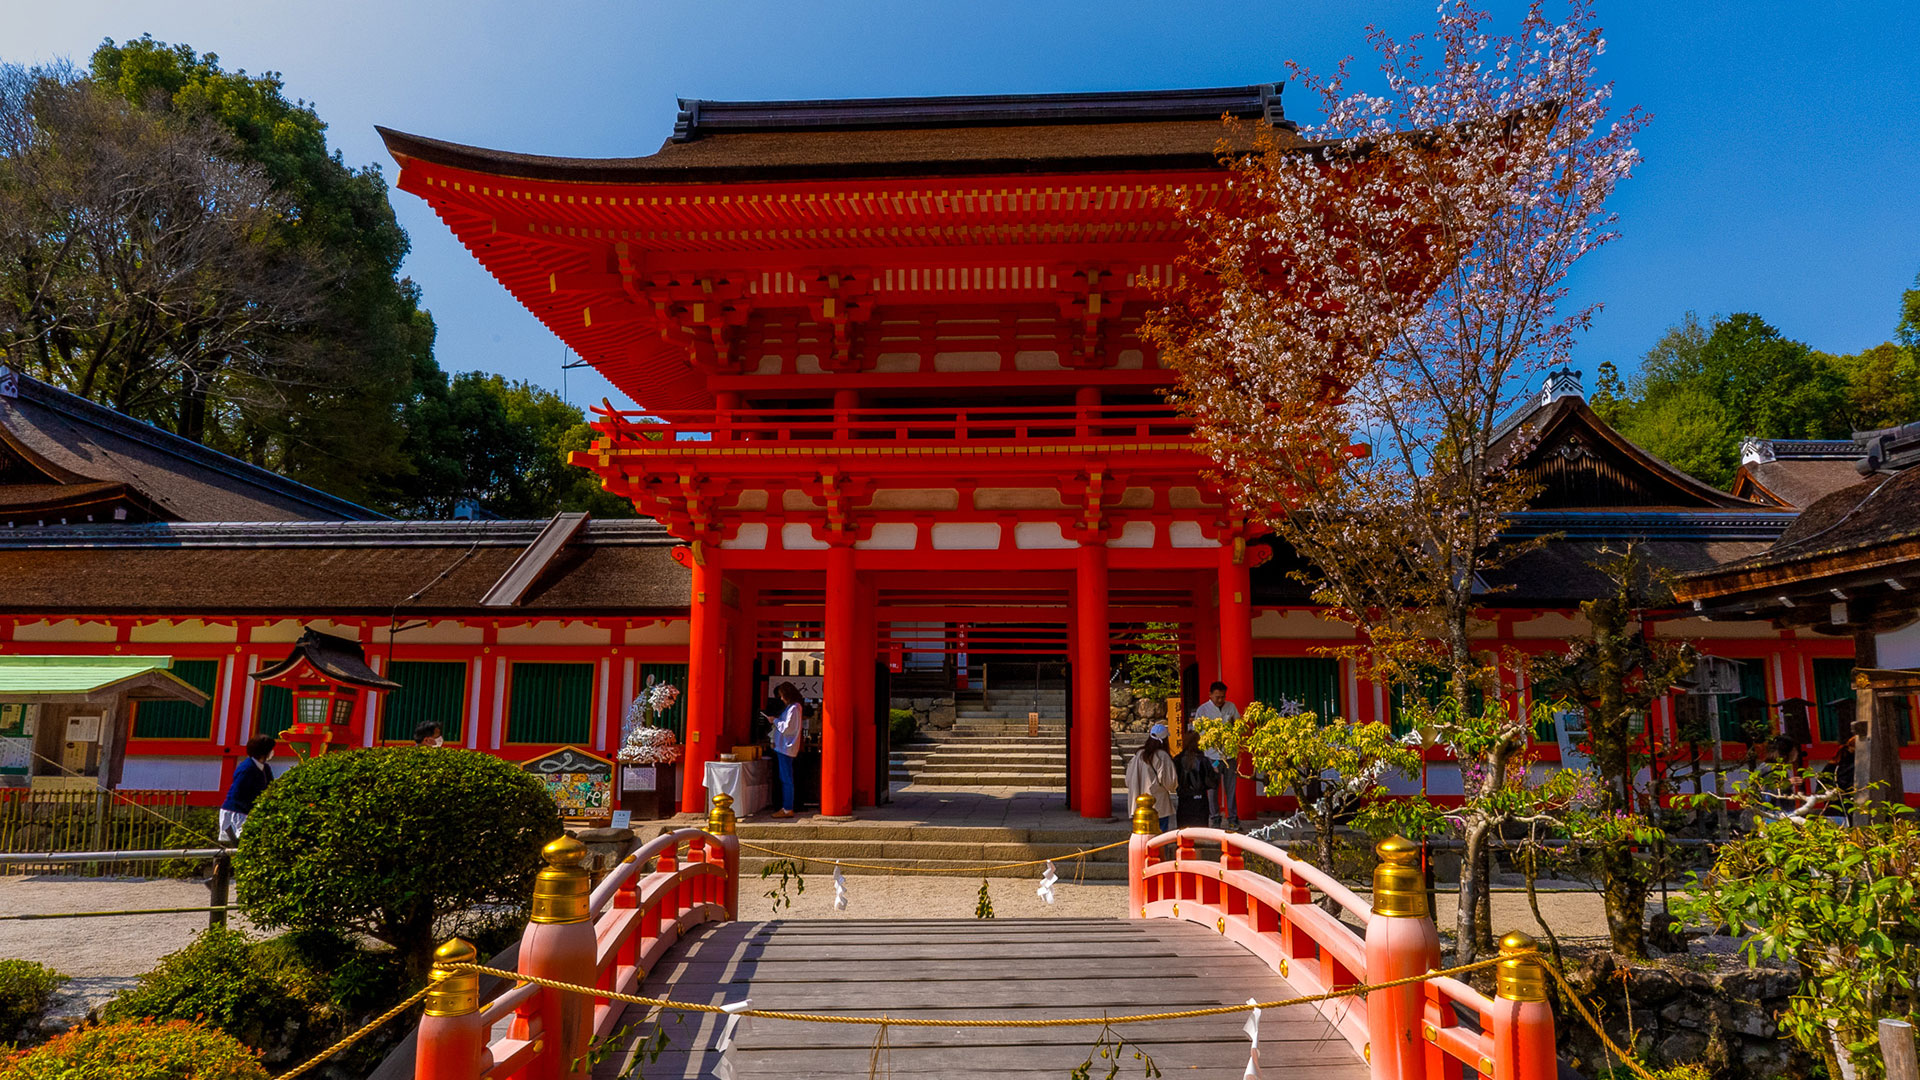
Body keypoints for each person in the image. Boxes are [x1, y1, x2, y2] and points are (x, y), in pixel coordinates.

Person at [1193, 681, 1241, 829]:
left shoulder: (1230, 707)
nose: (1220, 700)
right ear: (1210, 695)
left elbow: (1238, 726)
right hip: (1211, 756)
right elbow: (1198, 731)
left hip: (1229, 754)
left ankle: (1232, 818)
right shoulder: (1203, 710)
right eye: (1217, 697)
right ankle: (1215, 818)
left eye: (1222, 697)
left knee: (1231, 788)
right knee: (1212, 789)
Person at [219, 735, 277, 841]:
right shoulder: (247, 769)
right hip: (237, 812)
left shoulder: (265, 768)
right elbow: (238, 794)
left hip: (250, 812)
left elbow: (271, 788)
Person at [1125, 723, 1177, 832]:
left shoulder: (1138, 754)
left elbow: (1128, 780)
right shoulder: (1162, 756)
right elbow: (1169, 782)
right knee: (1160, 835)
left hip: (1139, 803)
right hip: (1157, 802)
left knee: (1142, 836)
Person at [768, 682, 805, 818]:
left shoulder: (794, 708)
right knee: (785, 777)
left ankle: (787, 807)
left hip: (786, 747)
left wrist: (775, 721)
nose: (781, 699)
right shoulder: (792, 707)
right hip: (783, 746)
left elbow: (788, 728)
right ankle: (786, 806)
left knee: (786, 778)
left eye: (782, 696)